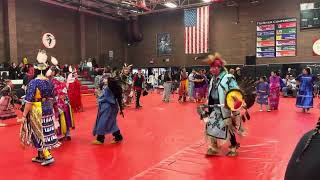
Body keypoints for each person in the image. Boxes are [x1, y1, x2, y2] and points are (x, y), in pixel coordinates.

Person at [200, 53, 243, 156]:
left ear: (219, 67)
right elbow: (211, 92)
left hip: (225, 107)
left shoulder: (228, 77)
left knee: (229, 126)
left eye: (214, 67)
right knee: (211, 126)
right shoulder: (212, 79)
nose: (211, 70)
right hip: (214, 106)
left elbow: (235, 91)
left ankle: (233, 147)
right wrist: (207, 103)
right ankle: (214, 147)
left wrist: (232, 104)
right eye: (211, 68)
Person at [19, 53, 58, 166]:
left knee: (38, 131)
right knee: (46, 131)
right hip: (47, 108)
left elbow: (29, 101)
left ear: (35, 70)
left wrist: (24, 115)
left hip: (37, 109)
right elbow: (52, 97)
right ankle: (41, 156)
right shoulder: (49, 82)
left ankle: (47, 155)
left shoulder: (33, 82)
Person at [92, 77, 124, 144]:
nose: (104, 79)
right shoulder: (109, 88)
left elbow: (103, 98)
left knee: (102, 122)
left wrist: (98, 94)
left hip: (108, 108)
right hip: (110, 107)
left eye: (105, 79)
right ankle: (118, 137)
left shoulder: (108, 89)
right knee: (111, 122)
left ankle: (100, 139)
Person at [49, 66, 74, 141]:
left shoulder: (52, 81)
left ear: (54, 72)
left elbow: (52, 92)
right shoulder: (63, 79)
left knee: (58, 118)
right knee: (66, 117)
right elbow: (67, 89)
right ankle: (67, 133)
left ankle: (60, 135)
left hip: (57, 101)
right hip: (65, 101)